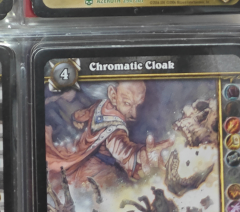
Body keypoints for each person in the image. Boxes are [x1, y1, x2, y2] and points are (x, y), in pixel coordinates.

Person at [45, 81, 173, 189]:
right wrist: (141, 156)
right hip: (94, 170)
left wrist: (77, 118)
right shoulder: (115, 129)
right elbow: (124, 151)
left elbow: (83, 114)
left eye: (137, 105)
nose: (134, 114)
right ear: (112, 94)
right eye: (127, 103)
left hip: (80, 159)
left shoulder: (102, 105)